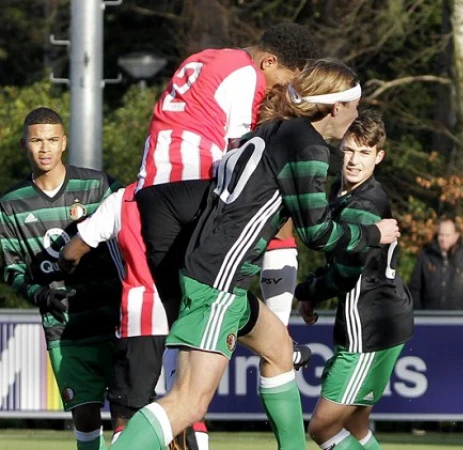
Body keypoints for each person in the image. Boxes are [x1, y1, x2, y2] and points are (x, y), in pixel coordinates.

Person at [111, 59, 400, 450]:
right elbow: (316, 233)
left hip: (219, 272)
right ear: (336, 108)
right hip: (220, 281)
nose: (356, 114)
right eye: (354, 106)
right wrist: (373, 232)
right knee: (188, 402)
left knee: (280, 350)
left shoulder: (272, 130)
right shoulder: (309, 146)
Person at [134, 22, 319, 346]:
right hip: (197, 179)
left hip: (152, 187)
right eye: (283, 81)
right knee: (274, 210)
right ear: (269, 62)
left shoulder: (205, 58)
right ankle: (281, 340)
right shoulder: (247, 75)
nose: (278, 89)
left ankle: (171, 393)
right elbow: (243, 152)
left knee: (183, 311)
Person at [0, 107, 122, 450]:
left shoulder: (99, 185)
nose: (45, 148)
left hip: (115, 320)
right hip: (64, 327)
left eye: (52, 140)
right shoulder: (10, 205)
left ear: (64, 142)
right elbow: (11, 269)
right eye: (37, 141)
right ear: (25, 144)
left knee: (129, 409)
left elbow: (133, 229)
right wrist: (41, 295)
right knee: (84, 413)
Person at [295, 111, 414, 450]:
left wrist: (306, 290)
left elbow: (346, 274)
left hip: (370, 327)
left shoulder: (365, 203)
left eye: (364, 153)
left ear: (379, 157)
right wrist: (314, 290)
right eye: (349, 150)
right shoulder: (341, 192)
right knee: (356, 424)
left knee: (322, 428)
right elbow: (340, 257)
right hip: (377, 319)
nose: (353, 160)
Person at [58, 183, 209, 450]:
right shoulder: (196, 193)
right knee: (188, 407)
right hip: (189, 315)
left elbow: (73, 251)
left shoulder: (123, 199)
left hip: (141, 319)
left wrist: (63, 264)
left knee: (127, 414)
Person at [410, 217, 463, 310]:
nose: (443, 239)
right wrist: (421, 317)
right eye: (441, 235)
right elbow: (414, 290)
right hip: (430, 320)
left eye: (447, 235)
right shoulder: (425, 257)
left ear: (456, 235)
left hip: (462, 321)